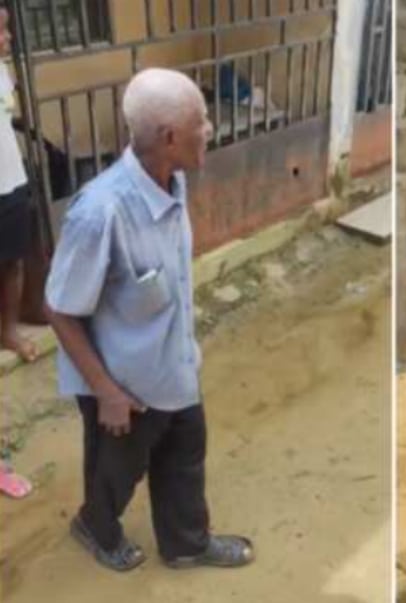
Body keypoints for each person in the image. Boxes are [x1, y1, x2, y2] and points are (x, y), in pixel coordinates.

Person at [44, 68, 252, 571]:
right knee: (117, 471)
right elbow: (59, 309)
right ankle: (95, 526)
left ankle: (186, 544)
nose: (210, 128)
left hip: (173, 364)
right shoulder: (101, 212)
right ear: (170, 136)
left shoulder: (173, 182)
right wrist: (107, 393)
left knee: (185, 452)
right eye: (202, 121)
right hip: (124, 386)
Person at [0, 7, 36, 364]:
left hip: (10, 180)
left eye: (7, 30)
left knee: (13, 260)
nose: (8, 38)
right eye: (1, 32)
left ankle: (9, 330)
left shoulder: (2, 70)